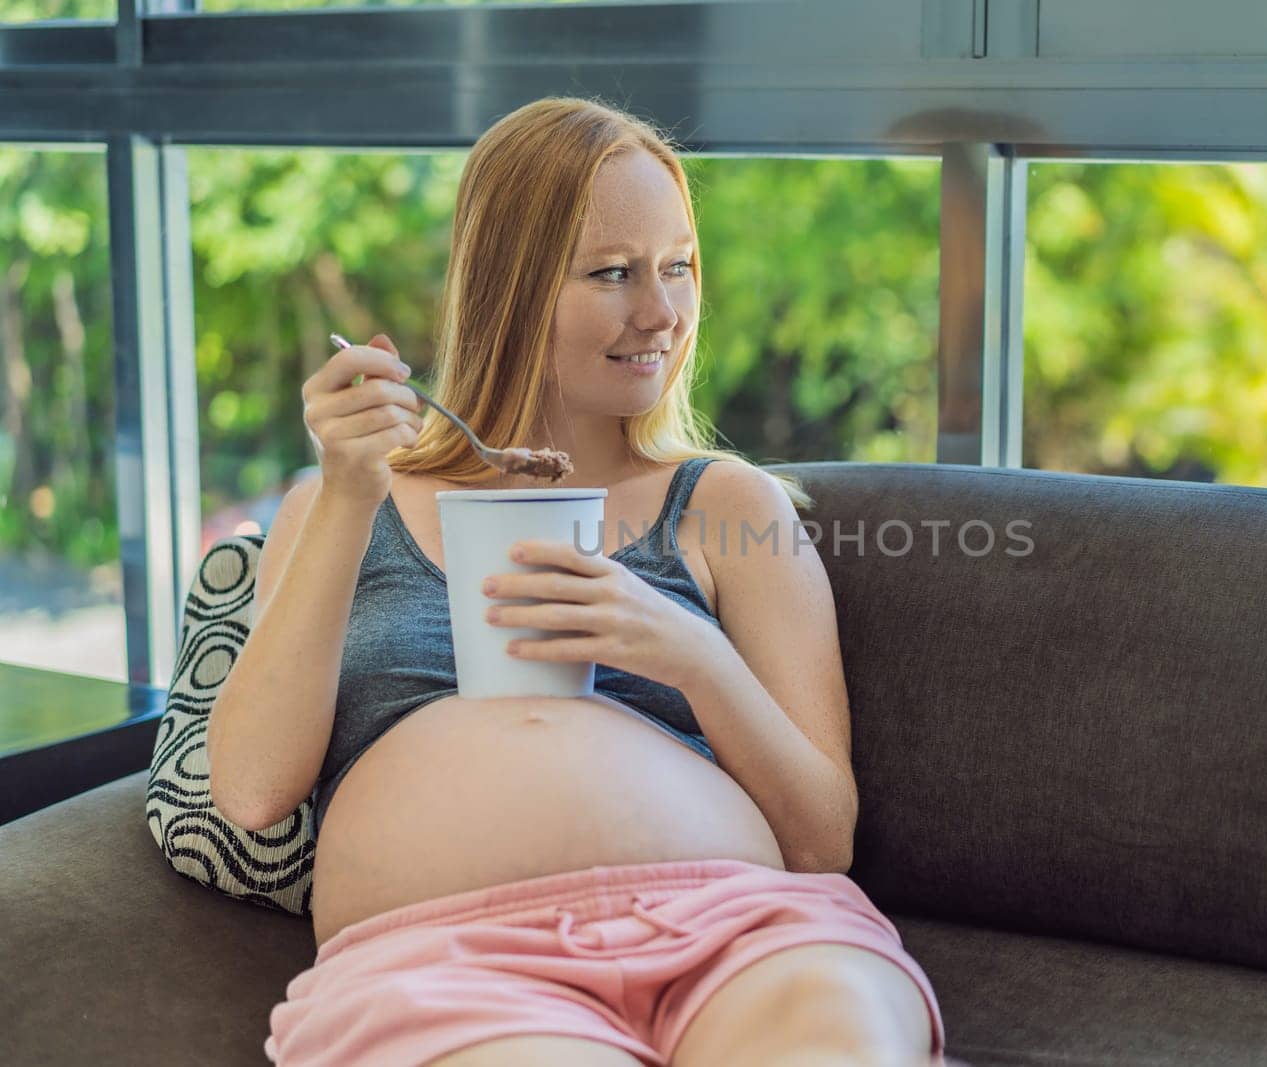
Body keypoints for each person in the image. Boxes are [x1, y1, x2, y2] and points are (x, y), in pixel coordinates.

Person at [206, 96, 948, 1067]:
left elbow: (821, 837)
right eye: (613, 272)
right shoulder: (343, 504)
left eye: (678, 266)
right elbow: (253, 790)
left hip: (744, 931)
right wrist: (348, 491)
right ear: (509, 288)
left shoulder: (732, 505)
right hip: (448, 966)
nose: (662, 311)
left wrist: (685, 648)